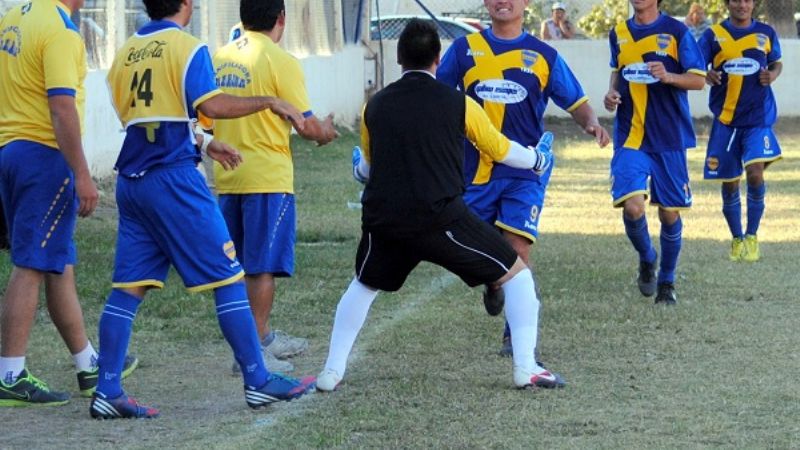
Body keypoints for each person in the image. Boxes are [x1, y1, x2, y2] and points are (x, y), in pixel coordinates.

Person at [91, 0, 315, 420]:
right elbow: (210, 106)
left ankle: (107, 390)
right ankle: (258, 380)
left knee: (128, 288)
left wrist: (208, 144)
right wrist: (269, 100)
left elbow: (152, 120)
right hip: (174, 180)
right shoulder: (187, 47)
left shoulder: (122, 55)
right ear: (187, 5)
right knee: (230, 276)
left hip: (131, 181)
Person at [316, 18, 565, 393]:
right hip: (440, 219)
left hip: (384, 220)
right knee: (518, 275)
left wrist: (356, 168)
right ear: (437, 59)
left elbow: (367, 168)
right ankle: (526, 367)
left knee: (363, 286)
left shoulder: (375, 106)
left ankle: (331, 372)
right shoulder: (459, 103)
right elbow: (498, 149)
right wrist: (536, 160)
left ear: (400, 59)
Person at [437, 0, 609, 357]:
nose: (504, 2)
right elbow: (436, 95)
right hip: (474, 173)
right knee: (482, 249)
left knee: (518, 247)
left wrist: (591, 122)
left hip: (524, 170)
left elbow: (575, 100)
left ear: (525, 3)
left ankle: (514, 334)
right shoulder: (464, 49)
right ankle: (494, 283)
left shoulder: (543, 55)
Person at [0, 0, 138, 408]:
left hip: (11, 149)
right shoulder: (60, 29)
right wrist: (81, 173)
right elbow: (61, 106)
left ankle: (87, 363)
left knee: (59, 263)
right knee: (30, 264)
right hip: (43, 157)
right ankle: (10, 373)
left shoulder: (13, 17)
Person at [210, 0, 338, 375]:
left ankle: (260, 340)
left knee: (236, 266)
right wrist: (326, 132)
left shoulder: (220, 56)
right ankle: (254, 348)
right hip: (267, 177)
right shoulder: (281, 61)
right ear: (282, 18)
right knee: (262, 266)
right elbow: (306, 125)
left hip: (228, 176)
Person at [603, 0, 706, 305]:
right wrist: (612, 95)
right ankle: (648, 258)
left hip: (669, 138)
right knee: (632, 206)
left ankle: (667, 281)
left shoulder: (677, 32)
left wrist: (670, 76)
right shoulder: (618, 32)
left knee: (669, 213)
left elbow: (699, 80)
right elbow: (617, 71)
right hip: (630, 136)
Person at [697, 0, 783, 262]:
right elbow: (696, 67)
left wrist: (773, 75)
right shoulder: (713, 35)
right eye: (736, 0)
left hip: (758, 119)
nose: (742, 5)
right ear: (727, 3)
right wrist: (707, 75)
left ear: (753, 4)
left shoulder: (766, 33)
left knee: (755, 173)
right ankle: (737, 239)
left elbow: (777, 63)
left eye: (747, 0)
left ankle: (752, 235)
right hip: (726, 120)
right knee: (731, 181)